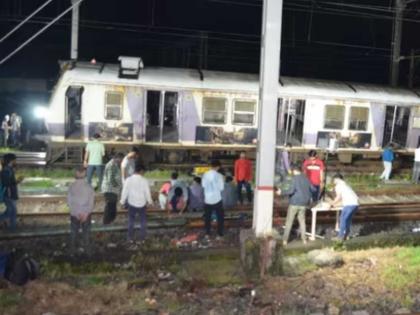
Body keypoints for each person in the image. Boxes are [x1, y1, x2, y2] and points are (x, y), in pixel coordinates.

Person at [278, 165, 313, 246]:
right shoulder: (306, 179)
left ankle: (285, 240)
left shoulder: (294, 179)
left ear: (294, 171)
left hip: (294, 203)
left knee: (289, 221)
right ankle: (304, 240)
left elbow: (291, 191)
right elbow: (311, 190)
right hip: (304, 203)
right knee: (302, 222)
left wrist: (281, 192)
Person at [120, 162, 153, 242]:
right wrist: (150, 202)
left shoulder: (128, 180)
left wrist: (122, 202)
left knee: (131, 221)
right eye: (143, 172)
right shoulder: (144, 180)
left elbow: (125, 192)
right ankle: (142, 239)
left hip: (132, 204)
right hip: (142, 204)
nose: (144, 173)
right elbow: (147, 193)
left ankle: (130, 238)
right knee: (143, 222)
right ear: (141, 171)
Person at [67, 167, 95, 253]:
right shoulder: (89, 187)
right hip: (86, 215)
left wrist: (76, 213)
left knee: (73, 233)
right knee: (86, 233)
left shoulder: (71, 187)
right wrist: (85, 213)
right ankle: (87, 251)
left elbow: (69, 202)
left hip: (75, 214)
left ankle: (72, 251)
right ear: (85, 175)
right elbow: (91, 204)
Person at [329, 174, 359, 241]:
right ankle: (346, 235)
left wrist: (331, 204)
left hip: (349, 205)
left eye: (334, 179)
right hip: (355, 204)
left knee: (343, 219)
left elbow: (338, 197)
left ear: (337, 179)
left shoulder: (338, 185)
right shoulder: (346, 185)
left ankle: (340, 237)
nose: (333, 181)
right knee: (347, 220)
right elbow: (344, 199)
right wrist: (335, 205)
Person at [202, 160, 225, 238]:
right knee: (220, 217)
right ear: (218, 167)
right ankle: (219, 234)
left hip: (207, 200)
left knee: (207, 217)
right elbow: (221, 188)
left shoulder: (205, 174)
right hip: (217, 199)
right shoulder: (219, 176)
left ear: (211, 166)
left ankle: (207, 233)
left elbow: (203, 186)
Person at [101, 152, 124, 224]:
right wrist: (118, 185)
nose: (121, 161)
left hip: (111, 189)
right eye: (121, 159)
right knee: (110, 206)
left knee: (111, 206)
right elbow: (111, 179)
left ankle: (109, 221)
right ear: (118, 158)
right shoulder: (112, 165)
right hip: (110, 189)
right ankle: (107, 222)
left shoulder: (113, 164)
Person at [0, 154, 21, 230]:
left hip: (10, 194)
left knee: (10, 211)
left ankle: (12, 227)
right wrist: (17, 181)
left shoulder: (9, 169)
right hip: (8, 195)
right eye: (15, 160)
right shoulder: (6, 170)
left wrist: (17, 181)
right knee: (13, 211)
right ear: (11, 161)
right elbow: (6, 183)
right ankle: (12, 228)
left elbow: (10, 182)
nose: (16, 161)